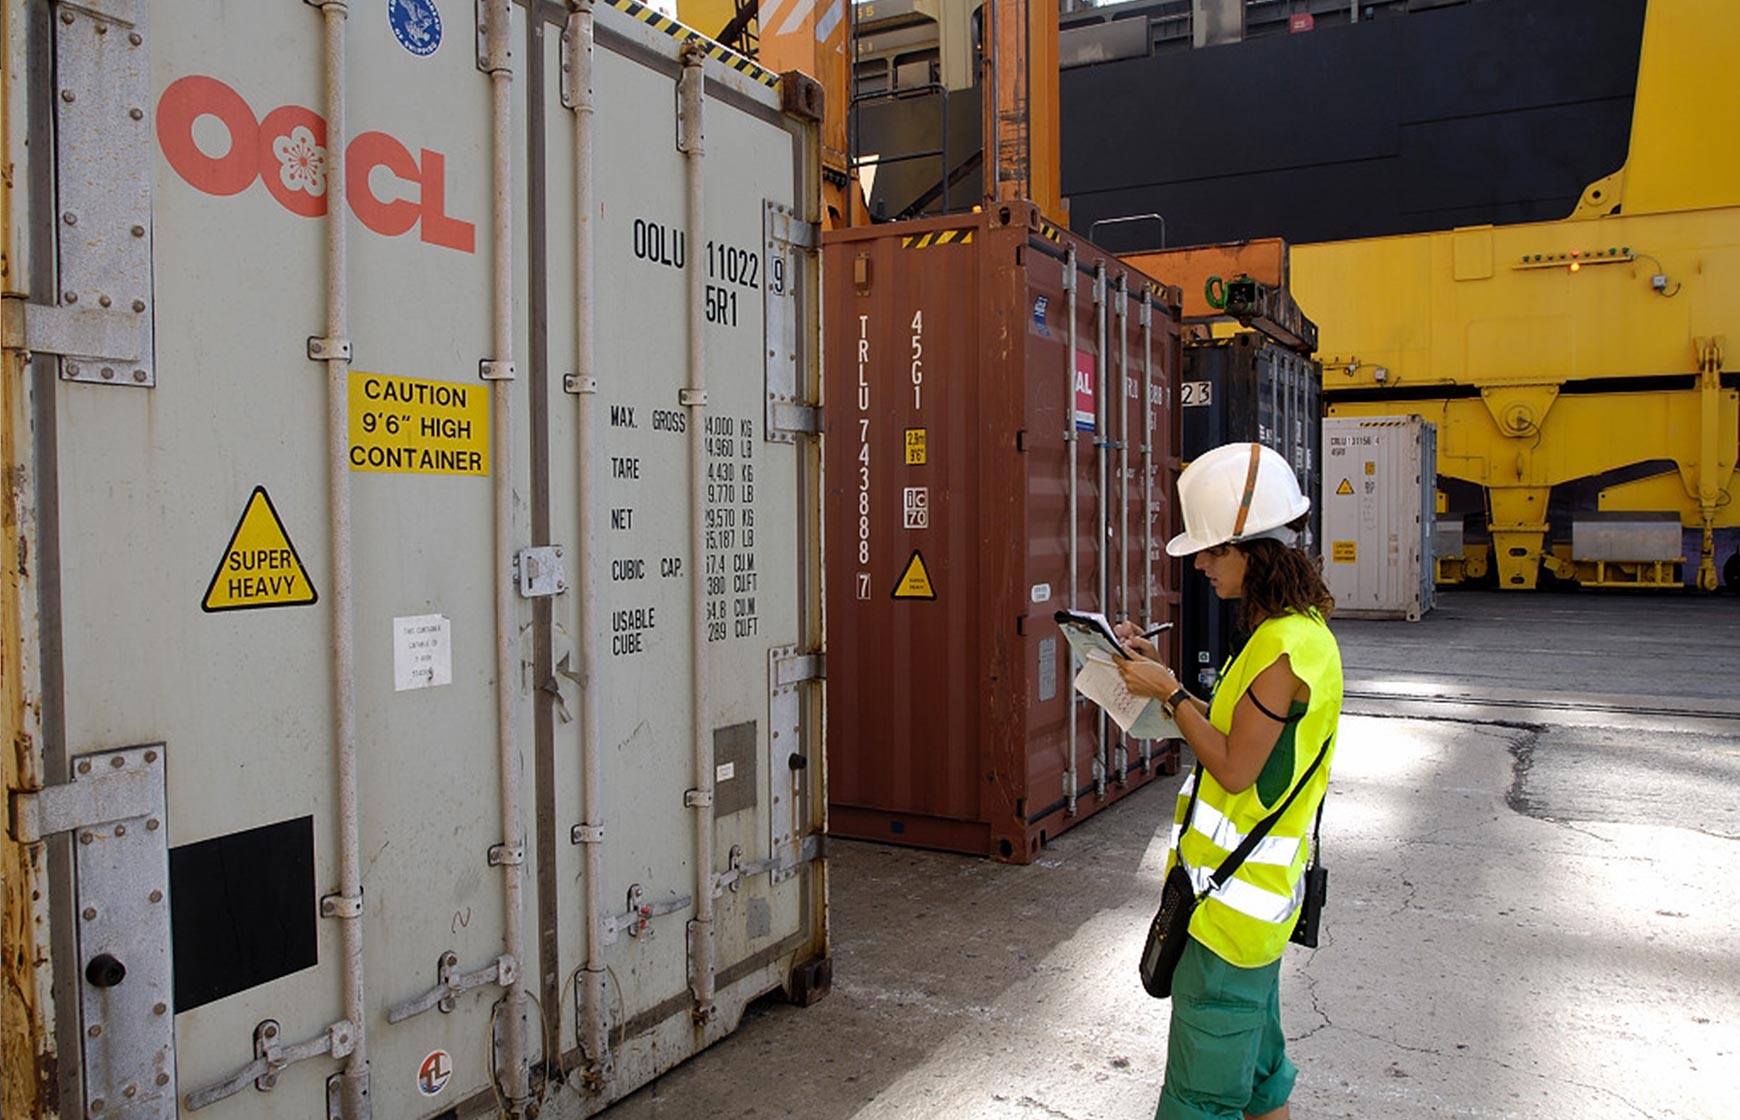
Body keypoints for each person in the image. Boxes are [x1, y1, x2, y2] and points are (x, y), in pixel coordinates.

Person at [1114, 442, 1343, 1120]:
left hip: (1227, 918)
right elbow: (1238, 734)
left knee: (1198, 1101)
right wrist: (1164, 679)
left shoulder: (1283, 651)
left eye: (1213, 553)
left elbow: (1236, 769)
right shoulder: (1291, 634)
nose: (1202, 566)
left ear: (1255, 551)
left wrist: (1171, 692)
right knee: (1261, 1076)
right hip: (1251, 912)